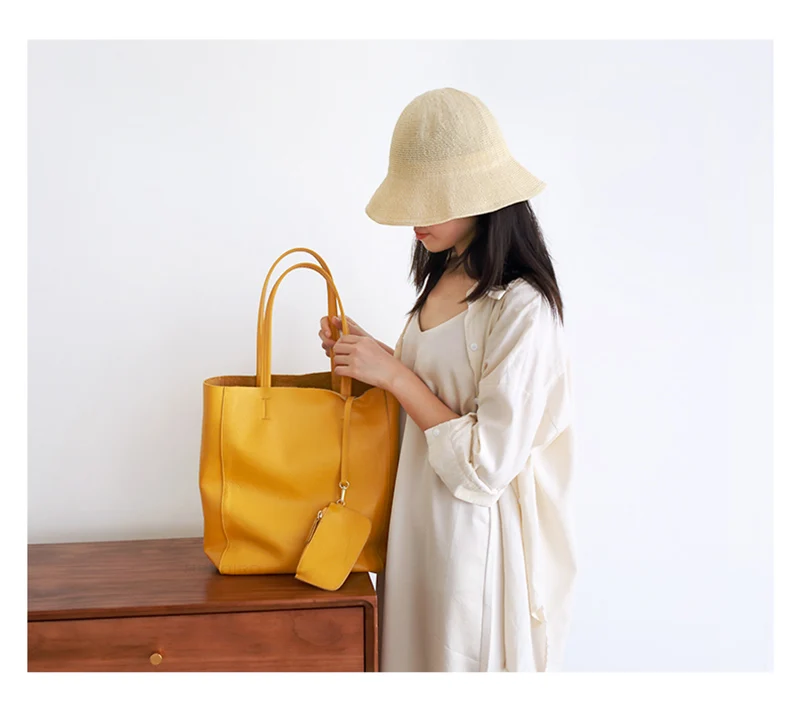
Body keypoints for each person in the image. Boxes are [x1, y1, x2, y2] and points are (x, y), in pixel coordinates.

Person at [318, 87, 577, 672]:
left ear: (482, 197)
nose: (416, 218)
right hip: (416, 528)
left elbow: (487, 463)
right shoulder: (445, 278)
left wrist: (394, 374)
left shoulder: (523, 307)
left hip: (471, 540)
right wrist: (371, 356)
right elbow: (434, 393)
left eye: (431, 199)